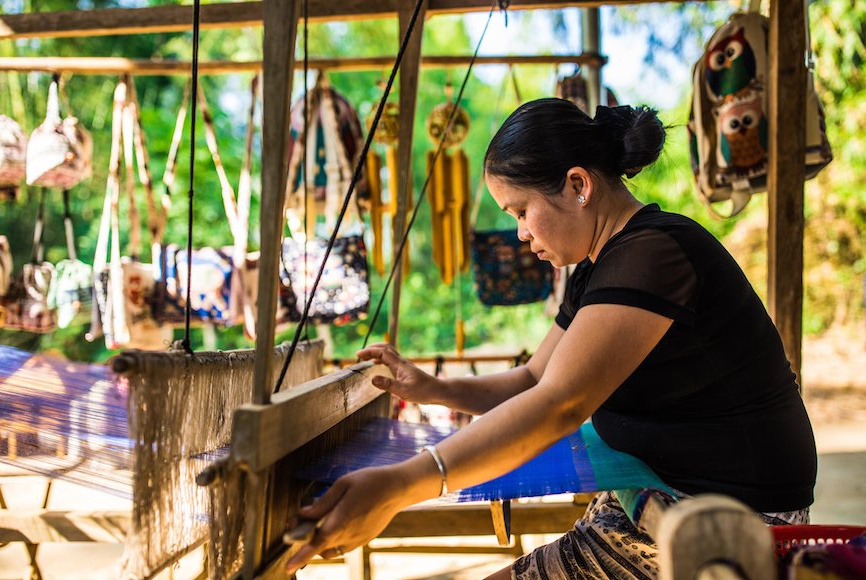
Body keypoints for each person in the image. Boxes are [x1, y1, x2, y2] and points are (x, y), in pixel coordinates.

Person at [284, 98, 817, 580]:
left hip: (725, 518)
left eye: (520, 211)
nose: (519, 232)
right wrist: (433, 388)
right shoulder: (597, 268)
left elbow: (559, 404)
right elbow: (537, 378)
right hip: (653, 495)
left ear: (578, 186)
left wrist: (404, 484)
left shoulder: (653, 254)